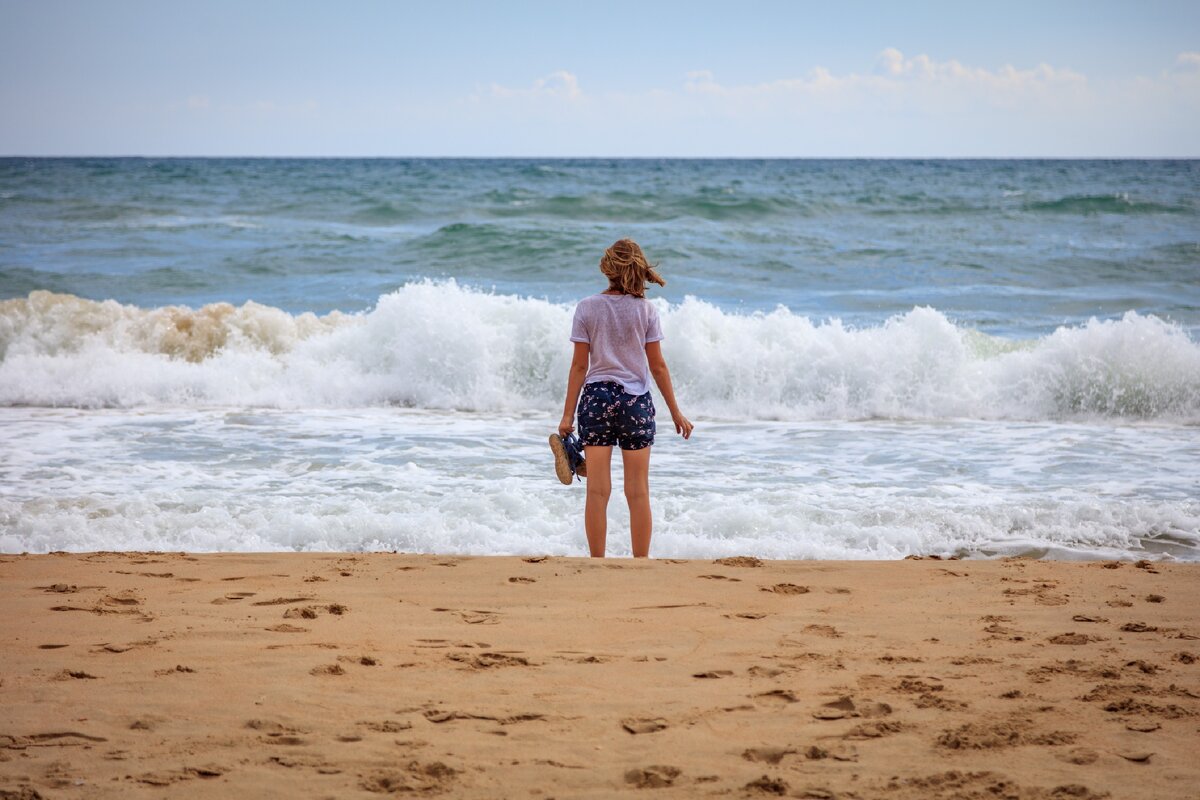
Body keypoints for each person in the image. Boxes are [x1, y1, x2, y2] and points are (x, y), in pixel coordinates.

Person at [550, 239, 693, 558]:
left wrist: (567, 416)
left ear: (608, 268)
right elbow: (657, 365)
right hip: (636, 403)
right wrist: (675, 412)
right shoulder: (646, 310)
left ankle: (597, 563)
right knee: (638, 491)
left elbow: (578, 366)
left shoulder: (587, 307)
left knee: (597, 490)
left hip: (597, 399)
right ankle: (640, 562)